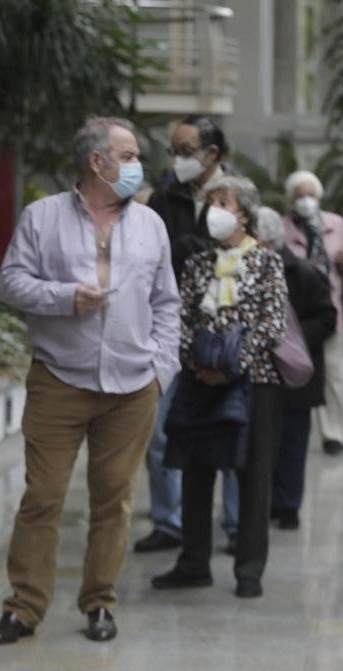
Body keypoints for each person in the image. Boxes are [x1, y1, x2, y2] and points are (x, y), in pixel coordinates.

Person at [0, 117, 181, 646]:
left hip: (133, 386)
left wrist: (161, 370)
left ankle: (99, 603)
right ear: (98, 162)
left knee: (113, 501)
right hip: (59, 380)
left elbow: (167, 303)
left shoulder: (151, 225)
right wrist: (64, 297)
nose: (138, 164)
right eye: (130, 154)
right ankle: (24, 608)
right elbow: (9, 282)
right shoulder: (42, 216)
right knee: (43, 496)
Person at [151, 176, 288, 599]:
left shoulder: (267, 263)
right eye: (210, 202)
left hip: (254, 382)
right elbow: (180, 320)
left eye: (223, 202)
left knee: (252, 473)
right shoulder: (196, 263)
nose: (213, 209)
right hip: (199, 380)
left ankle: (249, 569)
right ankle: (193, 563)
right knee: (195, 471)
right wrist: (199, 363)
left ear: (243, 214)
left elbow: (272, 325)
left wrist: (233, 366)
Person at [137, 115, 240, 554]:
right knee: (157, 431)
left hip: (226, 329)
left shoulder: (240, 196)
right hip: (169, 329)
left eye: (186, 150)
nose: (177, 159)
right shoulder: (167, 193)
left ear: (211, 154)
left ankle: (236, 524)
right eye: (174, 150)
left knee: (232, 425)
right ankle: (170, 521)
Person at [255, 207, 337, 530]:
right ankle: (264, 501)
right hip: (261, 373)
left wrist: (293, 338)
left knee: (292, 442)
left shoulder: (304, 273)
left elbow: (327, 318)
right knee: (263, 444)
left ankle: (288, 505)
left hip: (296, 375)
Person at [282, 170, 343, 456]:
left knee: (332, 376)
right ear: (291, 199)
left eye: (310, 195)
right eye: (300, 195)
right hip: (297, 318)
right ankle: (294, 425)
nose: (306, 201)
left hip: (330, 312)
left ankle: (333, 432)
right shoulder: (283, 227)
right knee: (298, 371)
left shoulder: (335, 224)